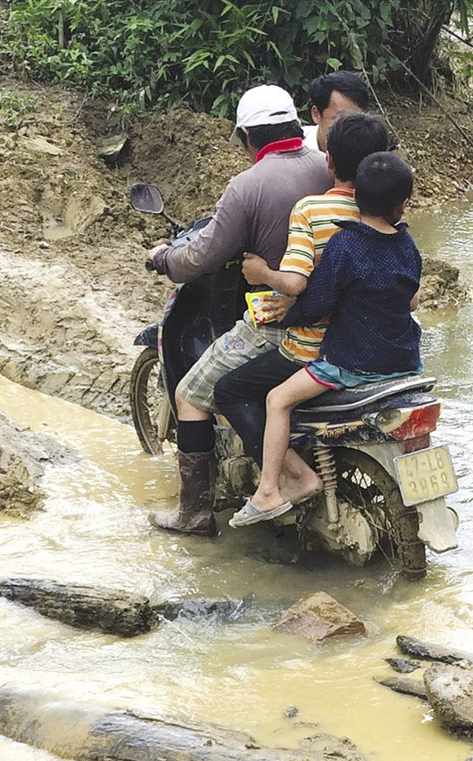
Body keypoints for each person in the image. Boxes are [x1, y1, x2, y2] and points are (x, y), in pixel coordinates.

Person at [148, 84, 332, 537]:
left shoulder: (247, 186)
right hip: (334, 318)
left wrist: (164, 259)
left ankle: (194, 513)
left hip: (276, 322)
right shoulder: (327, 167)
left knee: (191, 395)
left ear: (248, 136)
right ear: (296, 124)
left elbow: (203, 255)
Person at [227, 152, 422, 527]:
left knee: (276, 399)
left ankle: (269, 490)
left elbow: (316, 303)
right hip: (405, 363)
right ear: (401, 205)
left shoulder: (344, 247)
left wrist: (287, 316)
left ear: (355, 199)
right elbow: (411, 299)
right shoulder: (407, 245)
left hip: (350, 366)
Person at [212, 113, 389, 506]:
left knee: (230, 390)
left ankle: (289, 479)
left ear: (329, 162)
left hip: (316, 351)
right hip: (374, 344)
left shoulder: (310, 210)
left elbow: (294, 283)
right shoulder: (387, 214)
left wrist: (262, 272)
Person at [303, 70, 371, 153]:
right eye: (340, 119)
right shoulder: (293, 152)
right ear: (316, 114)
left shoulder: (369, 150)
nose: (349, 129)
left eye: (355, 120)